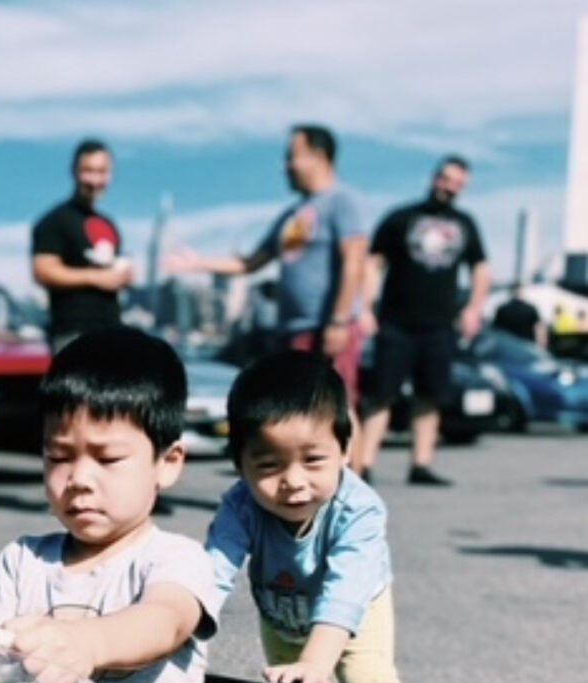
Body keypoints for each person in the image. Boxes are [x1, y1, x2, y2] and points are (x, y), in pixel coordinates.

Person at [0, 327, 221, 683]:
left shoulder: (175, 558)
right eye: (59, 457)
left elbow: (164, 620)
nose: (79, 479)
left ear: (167, 463)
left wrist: (90, 642)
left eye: (108, 459)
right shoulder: (23, 560)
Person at [205, 349, 429, 683]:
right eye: (268, 464)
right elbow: (212, 572)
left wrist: (318, 657)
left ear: (344, 450)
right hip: (283, 615)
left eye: (313, 460)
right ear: (239, 464)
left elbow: (346, 590)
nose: (293, 481)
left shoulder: (360, 510)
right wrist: (176, 627)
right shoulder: (240, 506)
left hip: (354, 614)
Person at [165, 124, 368, 464]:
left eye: (292, 156)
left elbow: (354, 262)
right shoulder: (293, 214)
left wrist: (338, 321)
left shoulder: (342, 202)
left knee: (340, 407)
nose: (285, 165)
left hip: (329, 325)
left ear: (319, 156)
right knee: (306, 411)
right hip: (295, 328)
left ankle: (355, 493)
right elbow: (251, 263)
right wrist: (198, 264)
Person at [357, 155, 490, 486]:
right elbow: (374, 262)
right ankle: (363, 464)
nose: (450, 188)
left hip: (440, 325)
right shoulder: (401, 218)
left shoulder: (465, 223)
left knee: (429, 396)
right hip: (395, 322)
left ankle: (421, 464)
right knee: (382, 394)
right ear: (434, 178)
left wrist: (473, 308)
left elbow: (481, 268)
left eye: (459, 184)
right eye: (447, 180)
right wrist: (367, 307)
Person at [31, 139, 134, 351]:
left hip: (113, 331)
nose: (95, 179)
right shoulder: (55, 220)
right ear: (74, 172)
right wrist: (97, 278)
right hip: (72, 334)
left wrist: (124, 277)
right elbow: (43, 271)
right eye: (88, 170)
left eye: (102, 171)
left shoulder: (109, 224)